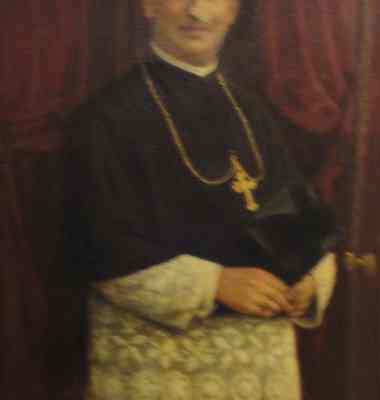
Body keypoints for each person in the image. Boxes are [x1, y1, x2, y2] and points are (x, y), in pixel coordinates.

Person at [64, 0, 340, 399]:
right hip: (161, 360)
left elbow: (300, 217)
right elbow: (100, 244)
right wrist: (214, 284)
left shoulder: (253, 111)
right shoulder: (106, 115)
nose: (197, 12)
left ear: (233, 12)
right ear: (149, 7)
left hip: (261, 356)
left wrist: (309, 278)